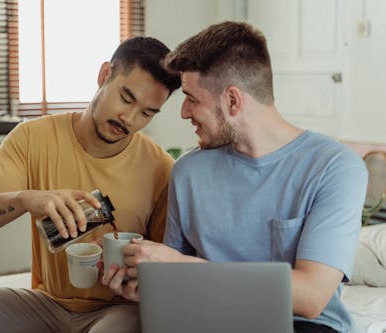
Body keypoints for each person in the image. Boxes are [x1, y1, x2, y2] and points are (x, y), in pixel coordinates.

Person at [102, 22, 368, 333]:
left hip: (300, 326)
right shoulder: (189, 172)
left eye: (192, 99)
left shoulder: (335, 168)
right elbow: (174, 277)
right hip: (208, 319)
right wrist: (147, 285)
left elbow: (311, 297)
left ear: (232, 101)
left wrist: (182, 268)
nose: (184, 113)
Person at [0, 36, 181, 333]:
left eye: (147, 113)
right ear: (104, 75)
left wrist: (137, 275)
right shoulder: (33, 138)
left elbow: (162, 269)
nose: (128, 118)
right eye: (126, 98)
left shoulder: (160, 167)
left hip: (118, 310)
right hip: (48, 304)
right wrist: (28, 200)